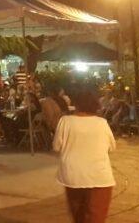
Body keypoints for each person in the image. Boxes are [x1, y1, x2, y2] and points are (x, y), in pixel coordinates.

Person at [54, 90, 116, 223]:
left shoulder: (65, 121)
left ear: (76, 104)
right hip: (99, 176)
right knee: (96, 217)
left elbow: (56, 146)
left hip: (72, 175)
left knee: (78, 217)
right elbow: (112, 147)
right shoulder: (101, 123)